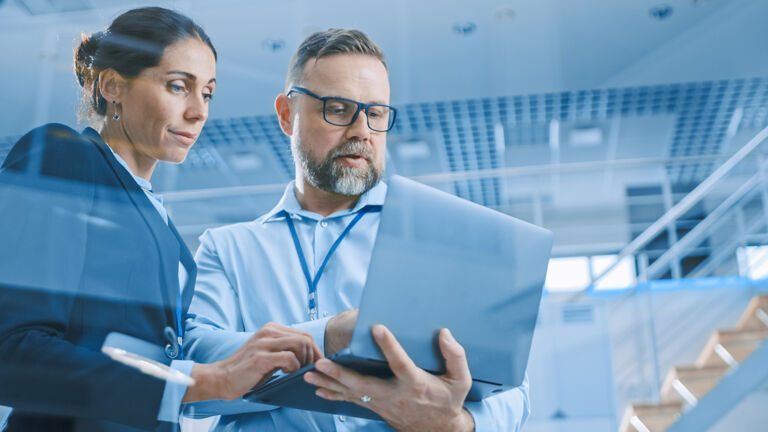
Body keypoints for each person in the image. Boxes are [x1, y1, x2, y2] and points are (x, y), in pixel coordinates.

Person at [185, 28, 530, 431]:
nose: (362, 130)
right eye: (338, 108)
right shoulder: (228, 249)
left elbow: (514, 391)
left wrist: (457, 423)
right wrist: (327, 337)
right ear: (286, 115)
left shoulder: (443, 240)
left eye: (376, 113)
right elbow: (191, 376)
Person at [0, 7, 321, 432]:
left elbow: (144, 364)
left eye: (207, 93)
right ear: (112, 85)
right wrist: (200, 379)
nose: (198, 111)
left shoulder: (161, 222)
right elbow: (12, 351)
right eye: (177, 87)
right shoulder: (64, 156)